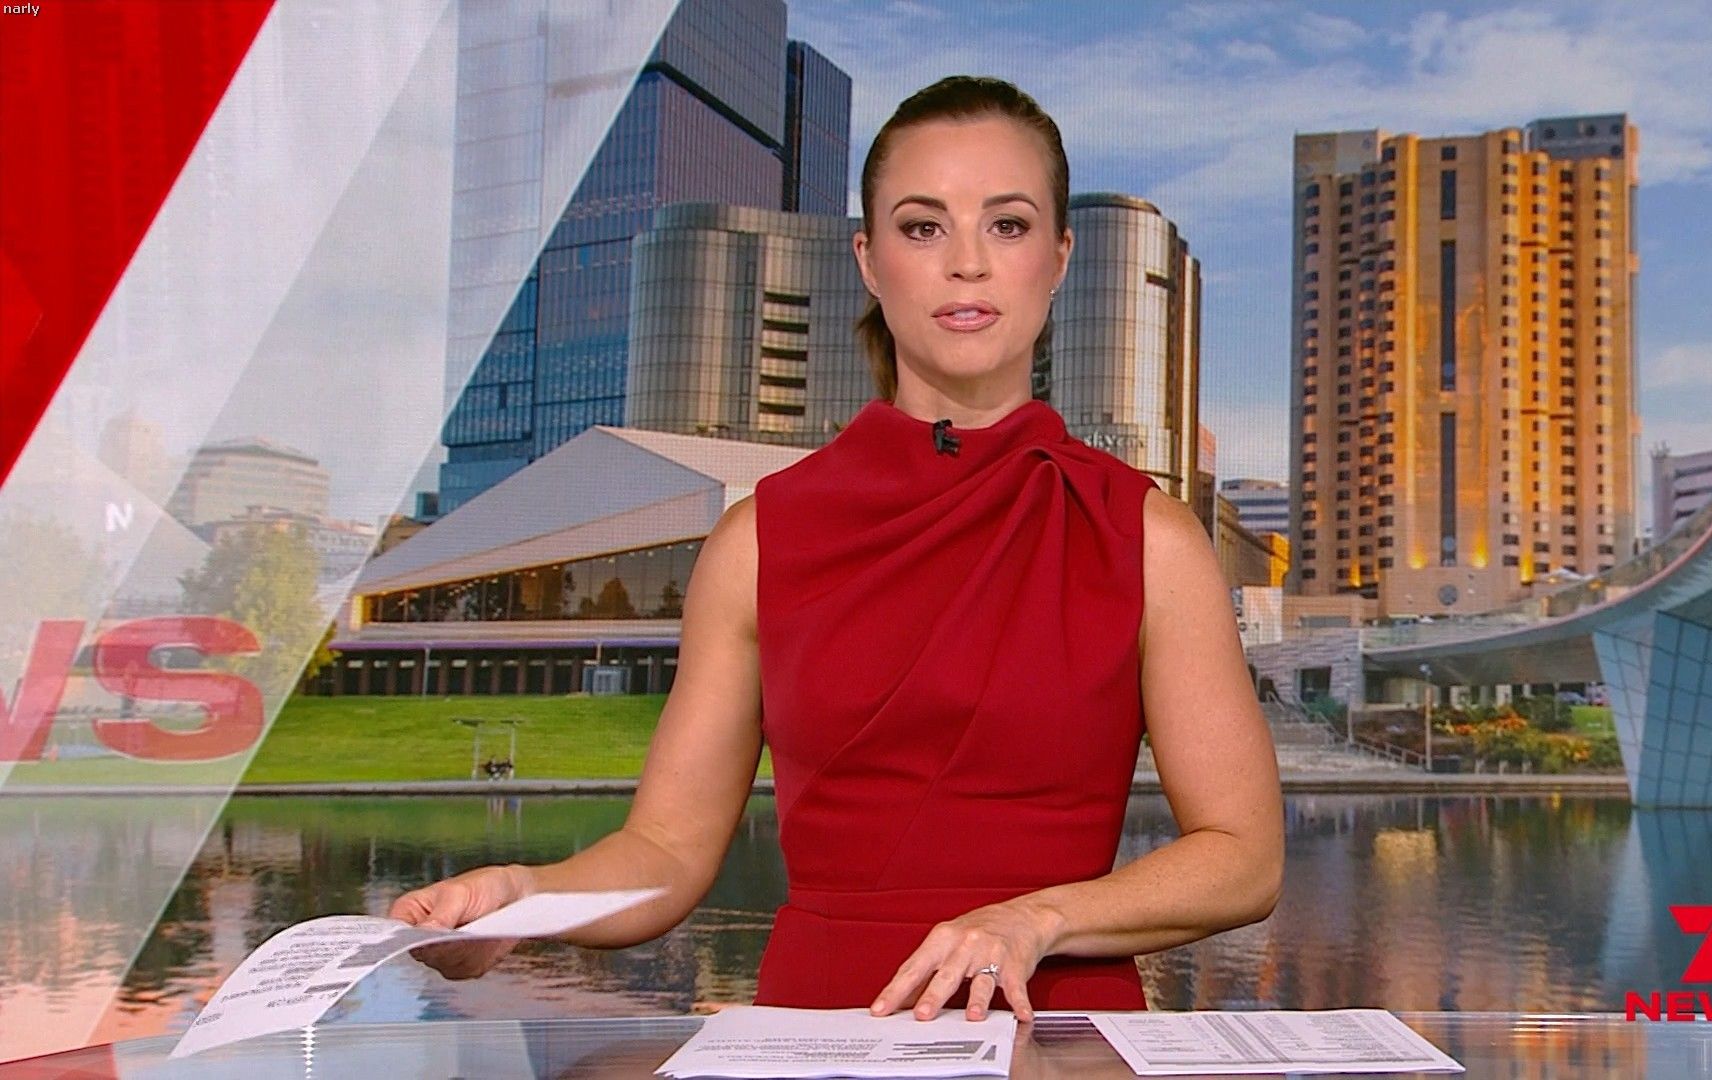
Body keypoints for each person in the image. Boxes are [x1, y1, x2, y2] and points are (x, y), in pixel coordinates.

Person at [389, 75, 1283, 1024]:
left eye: (1008, 225)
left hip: (1052, 1037)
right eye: (923, 227)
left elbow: (1245, 857)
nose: (968, 263)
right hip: (815, 1037)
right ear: (869, 259)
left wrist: (1039, 919)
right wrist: (524, 898)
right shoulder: (757, 540)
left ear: (1059, 257)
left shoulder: (1145, 536)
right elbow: (666, 853)